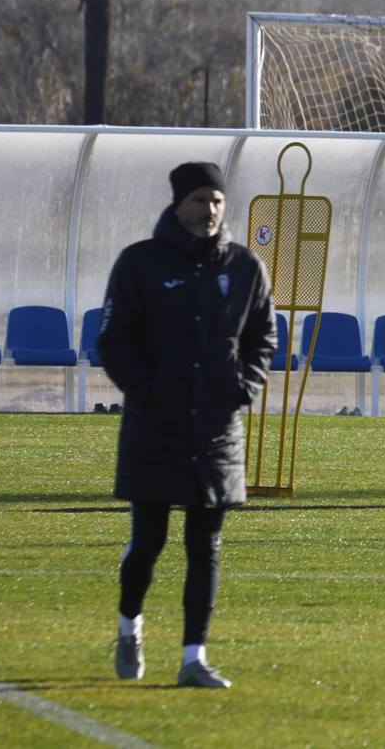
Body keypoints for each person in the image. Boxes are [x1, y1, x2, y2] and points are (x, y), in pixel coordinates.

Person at [98, 161, 276, 688]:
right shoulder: (140, 263)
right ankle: (130, 627)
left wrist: (242, 388)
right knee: (148, 541)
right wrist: (148, 391)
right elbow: (113, 341)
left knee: (207, 546)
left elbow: (262, 339)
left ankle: (193, 658)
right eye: (200, 201)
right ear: (179, 205)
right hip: (156, 426)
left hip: (217, 430)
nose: (210, 210)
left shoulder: (244, 267)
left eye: (217, 201)